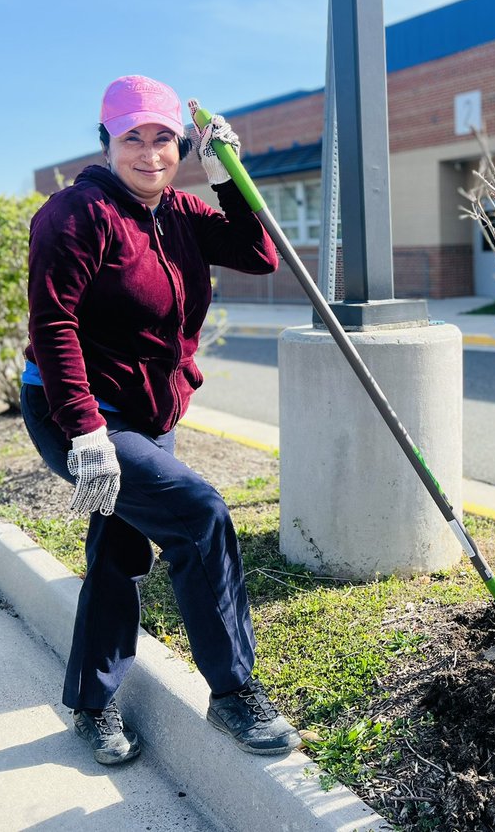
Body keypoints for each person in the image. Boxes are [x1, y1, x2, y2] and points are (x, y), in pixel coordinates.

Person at [20, 74, 299, 765]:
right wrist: (85, 430)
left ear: (181, 144)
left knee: (119, 550)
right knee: (199, 514)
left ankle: (91, 707)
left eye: (164, 139)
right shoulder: (75, 214)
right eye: (133, 139)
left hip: (147, 414)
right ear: (107, 143)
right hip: (74, 410)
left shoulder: (179, 211)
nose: (150, 154)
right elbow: (53, 326)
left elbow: (260, 255)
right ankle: (233, 693)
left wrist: (225, 178)